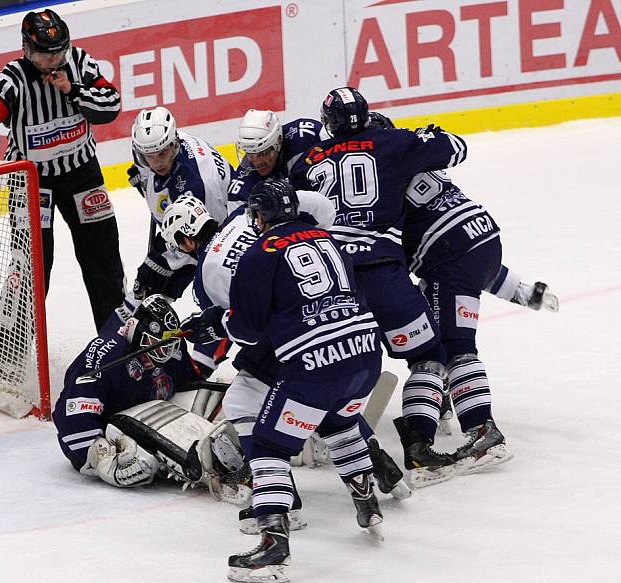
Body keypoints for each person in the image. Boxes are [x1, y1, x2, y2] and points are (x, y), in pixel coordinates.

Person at [161, 184, 410, 536]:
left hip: (299, 339)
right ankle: (375, 462)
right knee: (334, 410)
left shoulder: (209, 273)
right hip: (359, 334)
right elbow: (322, 206)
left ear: (186, 242)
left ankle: (280, 504)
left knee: (248, 403)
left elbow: (247, 330)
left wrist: (199, 347)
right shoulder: (247, 219)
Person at [289, 87, 472, 487]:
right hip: (382, 273)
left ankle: (317, 436)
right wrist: (420, 139)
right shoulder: (391, 142)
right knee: (429, 354)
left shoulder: (305, 163)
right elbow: (455, 147)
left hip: (331, 277)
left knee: (331, 362)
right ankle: (419, 447)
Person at [367, 111, 557, 471]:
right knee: (437, 330)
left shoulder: (380, 179)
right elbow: (474, 266)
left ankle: (482, 431)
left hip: (448, 257)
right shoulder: (414, 156)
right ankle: (441, 401)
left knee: (450, 349)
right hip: (482, 237)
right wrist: (523, 291)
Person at [0, 8, 125, 330]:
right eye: (45, 54)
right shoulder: (12, 77)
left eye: (59, 51)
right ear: (27, 49)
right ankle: (8, 350)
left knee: (103, 259)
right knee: (31, 268)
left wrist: (73, 90)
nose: (54, 60)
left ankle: (116, 342)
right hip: (31, 182)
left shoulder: (80, 63)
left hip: (83, 174)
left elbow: (110, 105)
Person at [52, 294, 247, 496]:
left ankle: (245, 450)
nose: (166, 351)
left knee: (224, 400)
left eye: (170, 344)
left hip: (154, 413)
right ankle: (202, 465)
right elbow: (70, 415)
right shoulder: (105, 354)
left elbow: (189, 387)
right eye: (158, 344)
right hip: (114, 434)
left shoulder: (172, 346)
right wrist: (100, 458)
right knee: (144, 464)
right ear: (136, 333)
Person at [118, 106, 232, 320]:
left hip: (219, 233)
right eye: (149, 157)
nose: (157, 162)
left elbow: (204, 242)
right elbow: (149, 164)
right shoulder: (152, 146)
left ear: (174, 144)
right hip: (191, 225)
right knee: (146, 294)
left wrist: (157, 265)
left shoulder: (199, 184)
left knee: (151, 291)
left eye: (163, 154)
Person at [228, 109, 325, 207]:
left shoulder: (307, 136)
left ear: (278, 142)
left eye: (263, 153)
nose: (257, 162)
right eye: (250, 154)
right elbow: (237, 219)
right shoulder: (244, 181)